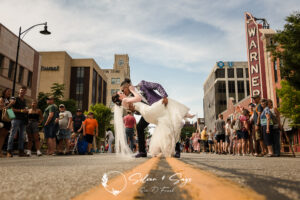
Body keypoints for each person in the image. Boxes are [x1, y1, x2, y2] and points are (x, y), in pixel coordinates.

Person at [112, 84, 193, 157]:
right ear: (119, 97)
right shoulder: (126, 99)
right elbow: (138, 101)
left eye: (123, 90)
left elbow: (157, 86)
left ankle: (176, 149)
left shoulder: (142, 85)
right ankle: (142, 151)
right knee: (140, 127)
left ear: (127, 86)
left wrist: (164, 96)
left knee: (167, 122)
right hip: (148, 111)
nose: (122, 91)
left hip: (150, 109)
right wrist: (133, 91)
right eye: (121, 92)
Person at [7, 87, 28, 157]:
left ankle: (21, 151)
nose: (22, 92)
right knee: (12, 134)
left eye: (24, 91)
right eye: (21, 90)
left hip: (23, 120)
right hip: (16, 119)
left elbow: (24, 109)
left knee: (22, 136)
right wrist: (22, 111)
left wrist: (26, 111)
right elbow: (10, 108)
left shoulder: (24, 100)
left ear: (25, 92)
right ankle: (9, 151)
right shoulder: (15, 98)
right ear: (19, 91)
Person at [0, 88, 14, 157]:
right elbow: (3, 108)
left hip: (7, 119)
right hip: (2, 118)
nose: (9, 93)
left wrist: (12, 118)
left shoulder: (8, 100)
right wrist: (10, 104)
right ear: (4, 92)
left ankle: (0, 151)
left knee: (4, 135)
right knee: (1, 134)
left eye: (10, 92)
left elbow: (10, 110)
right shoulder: (1, 99)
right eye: (8, 91)